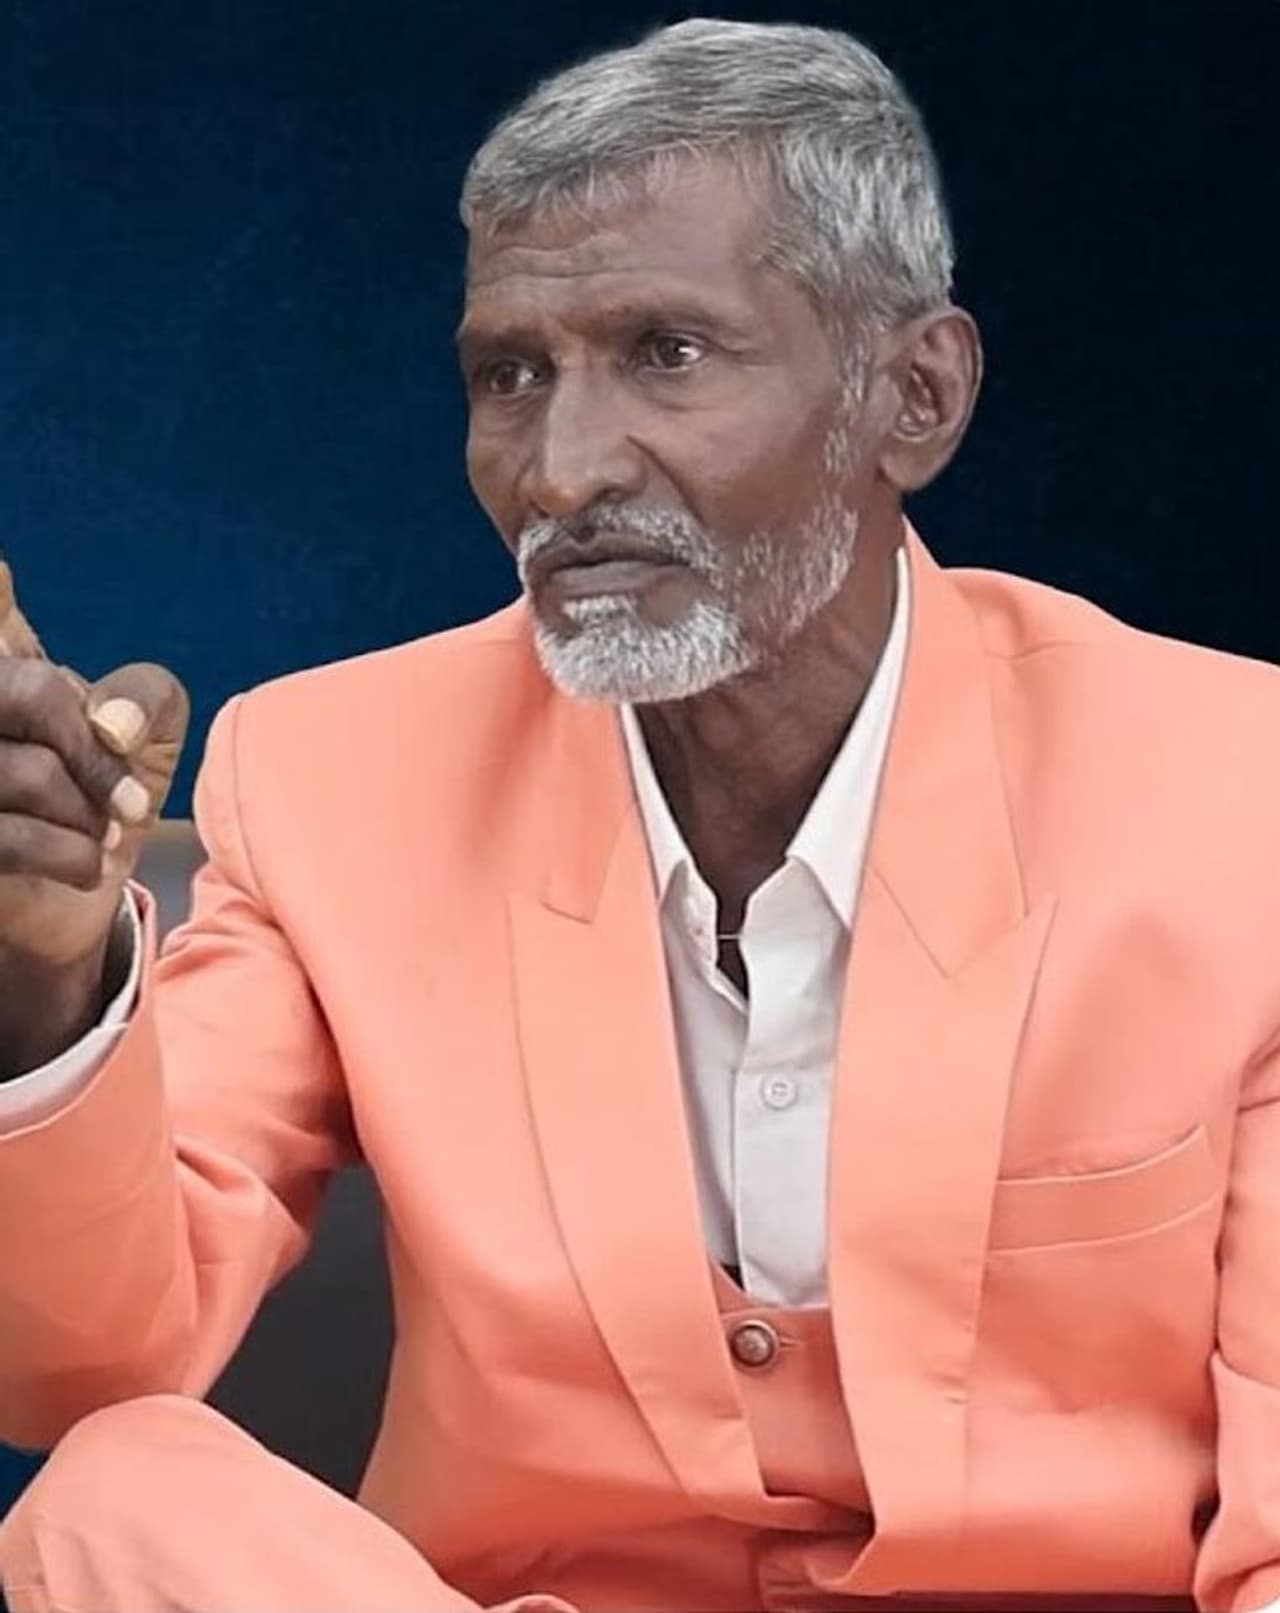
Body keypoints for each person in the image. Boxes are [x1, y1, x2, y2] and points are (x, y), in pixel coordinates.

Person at [0, 16, 1277, 1613]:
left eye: (666, 353)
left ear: (915, 395)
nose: (561, 470)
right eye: (510, 376)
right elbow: (82, 1370)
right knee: (120, 1493)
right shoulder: (329, 775)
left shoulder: (1238, 789)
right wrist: (44, 984)